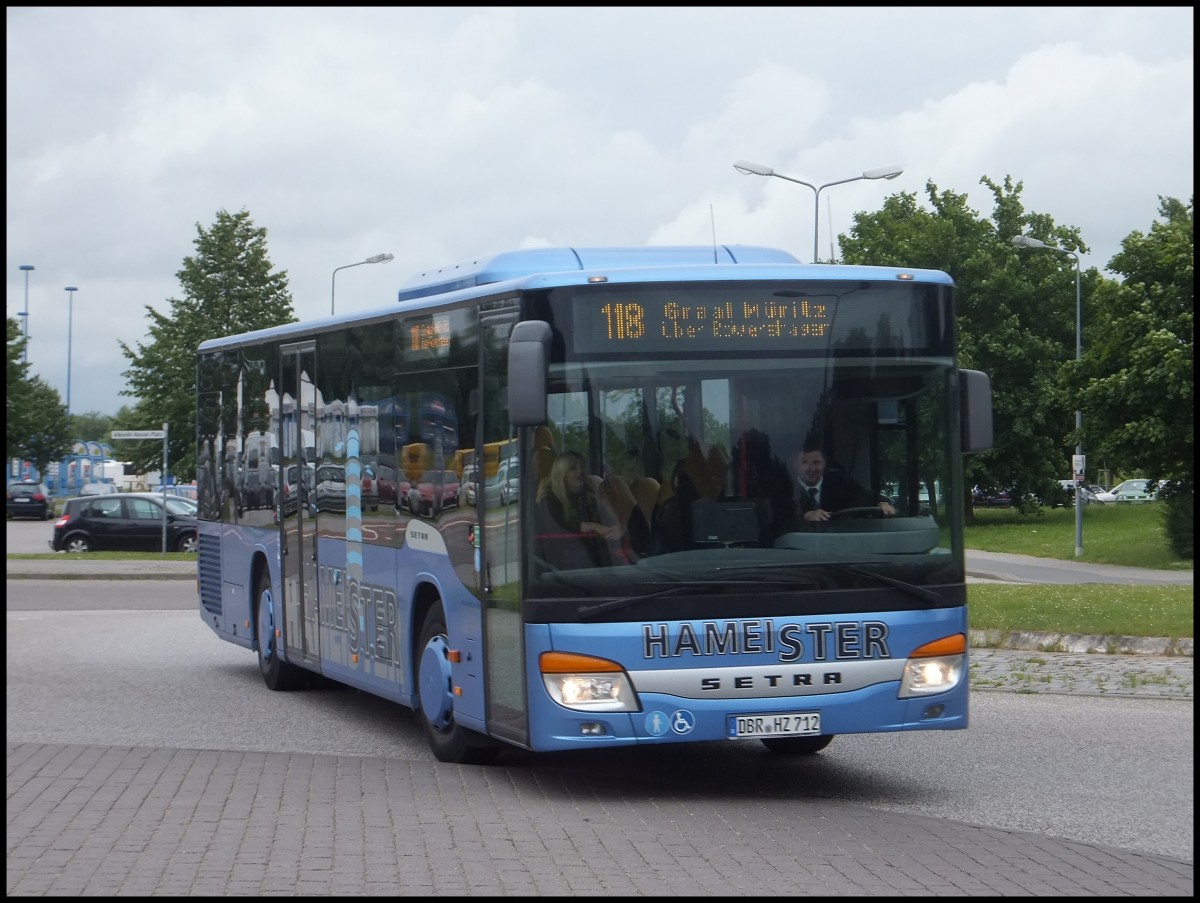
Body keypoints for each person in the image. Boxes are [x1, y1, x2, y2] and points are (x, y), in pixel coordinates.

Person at [533, 451, 622, 568]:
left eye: (582, 467)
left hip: (601, 556)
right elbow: (559, 527)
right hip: (569, 563)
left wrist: (617, 528)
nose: (580, 471)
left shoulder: (590, 494)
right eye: (573, 468)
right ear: (562, 474)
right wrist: (593, 526)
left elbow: (610, 521)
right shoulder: (549, 499)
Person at [792, 444, 895, 523]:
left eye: (816, 462)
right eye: (805, 462)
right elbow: (782, 516)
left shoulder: (838, 484)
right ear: (795, 465)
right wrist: (806, 515)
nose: (812, 469)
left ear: (825, 464)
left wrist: (881, 503)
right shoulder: (786, 488)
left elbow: (865, 496)